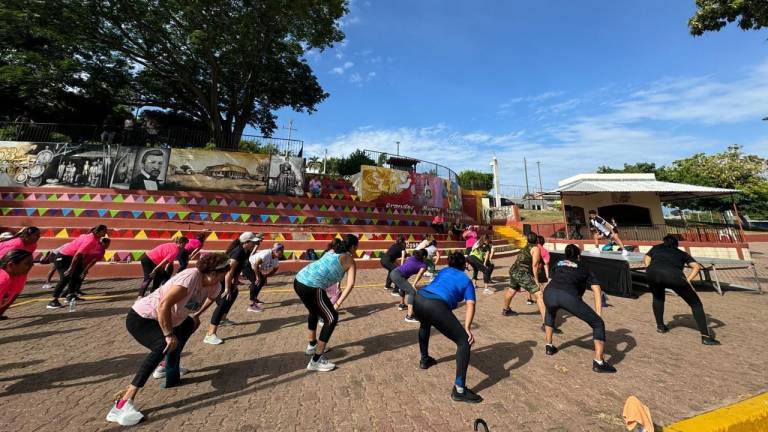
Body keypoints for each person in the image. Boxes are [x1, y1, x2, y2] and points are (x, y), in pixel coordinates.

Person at [105, 253, 230, 426]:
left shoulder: (213, 286)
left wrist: (196, 316)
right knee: (163, 345)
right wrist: (168, 335)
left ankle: (165, 366)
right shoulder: (191, 277)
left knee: (188, 325)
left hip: (169, 319)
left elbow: (210, 298)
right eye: (222, 274)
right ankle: (122, 404)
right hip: (143, 318)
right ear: (213, 272)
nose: (223, 278)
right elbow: (164, 304)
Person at [413, 252, 481, 403]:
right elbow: (471, 304)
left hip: (419, 298)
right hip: (435, 305)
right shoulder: (466, 280)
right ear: (464, 265)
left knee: (425, 323)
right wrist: (467, 328)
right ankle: (459, 390)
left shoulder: (444, 270)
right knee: (464, 341)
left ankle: (425, 360)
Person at [543, 244, 616, 373]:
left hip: (549, 293)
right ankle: (599, 362)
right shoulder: (583, 266)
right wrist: (598, 314)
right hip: (568, 296)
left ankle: (549, 346)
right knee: (598, 323)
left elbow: (550, 278)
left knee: (550, 312)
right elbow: (596, 289)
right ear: (578, 255)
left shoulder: (559, 262)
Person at [294, 234, 359, 372]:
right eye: (356, 247)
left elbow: (330, 268)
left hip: (299, 280)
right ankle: (316, 360)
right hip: (312, 286)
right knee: (331, 318)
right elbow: (351, 284)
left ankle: (312, 345)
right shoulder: (349, 259)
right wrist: (337, 305)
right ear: (353, 247)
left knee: (314, 311)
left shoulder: (332, 250)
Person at [644, 235, 720, 345]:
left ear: (664, 242)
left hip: (652, 274)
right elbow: (696, 267)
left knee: (658, 298)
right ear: (676, 244)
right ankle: (706, 337)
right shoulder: (682, 253)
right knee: (696, 304)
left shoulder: (656, 248)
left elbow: (646, 258)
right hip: (673, 276)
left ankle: (660, 326)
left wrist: (649, 269)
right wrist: (688, 280)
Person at [203, 232, 261, 345]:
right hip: (219, 278)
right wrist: (227, 289)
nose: (255, 244)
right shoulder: (238, 252)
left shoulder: (246, 251)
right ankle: (210, 334)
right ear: (246, 242)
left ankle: (223, 319)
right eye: (253, 242)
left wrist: (234, 283)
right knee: (224, 301)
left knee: (234, 293)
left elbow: (238, 269)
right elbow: (229, 272)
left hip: (225, 277)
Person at [47, 225, 108, 309]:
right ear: (98, 232)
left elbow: (81, 254)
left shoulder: (93, 238)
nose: (106, 232)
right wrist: (71, 268)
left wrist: (80, 267)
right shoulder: (90, 240)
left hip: (72, 257)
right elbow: (78, 254)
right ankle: (53, 301)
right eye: (104, 231)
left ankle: (71, 295)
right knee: (66, 277)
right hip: (63, 257)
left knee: (77, 275)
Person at [502, 232, 547, 324]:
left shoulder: (525, 248)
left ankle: (506, 310)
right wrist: (537, 281)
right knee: (539, 294)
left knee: (512, 290)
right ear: (537, 240)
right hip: (522, 273)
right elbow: (535, 265)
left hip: (514, 270)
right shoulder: (535, 248)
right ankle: (547, 323)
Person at [391, 249, 428, 322]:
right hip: (398, 276)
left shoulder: (412, 257)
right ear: (423, 256)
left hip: (394, 272)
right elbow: (419, 274)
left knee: (404, 287)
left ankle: (402, 305)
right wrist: (414, 284)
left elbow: (407, 267)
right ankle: (409, 316)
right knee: (412, 292)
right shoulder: (422, 265)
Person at [246, 243, 283, 313]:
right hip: (248, 265)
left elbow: (275, 270)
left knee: (262, 281)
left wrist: (266, 275)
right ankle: (251, 305)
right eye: (279, 250)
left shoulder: (276, 260)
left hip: (255, 268)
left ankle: (255, 299)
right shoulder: (266, 254)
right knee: (256, 282)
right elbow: (256, 264)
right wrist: (257, 277)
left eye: (282, 251)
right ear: (275, 250)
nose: (281, 252)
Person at [0, 250, 35, 319]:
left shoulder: (15, 277)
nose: (30, 267)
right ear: (10, 265)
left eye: (31, 264)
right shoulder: (3, 280)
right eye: (26, 264)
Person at [532, 235, 551, 305]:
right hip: (541, 271)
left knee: (534, 286)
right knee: (542, 288)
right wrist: (547, 276)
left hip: (532, 271)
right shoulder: (545, 251)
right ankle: (543, 301)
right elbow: (546, 263)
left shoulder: (532, 249)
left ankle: (529, 299)